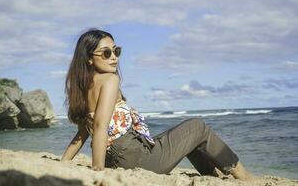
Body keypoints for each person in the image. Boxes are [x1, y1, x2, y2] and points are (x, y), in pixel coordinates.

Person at [60, 28, 254, 181]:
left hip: (121, 157)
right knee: (197, 127)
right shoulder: (110, 80)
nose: (114, 57)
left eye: (116, 51)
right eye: (107, 53)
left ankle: (214, 177)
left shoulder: (84, 88)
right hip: (135, 158)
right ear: (89, 58)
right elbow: (100, 126)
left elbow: (84, 133)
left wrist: (63, 163)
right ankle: (246, 178)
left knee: (190, 138)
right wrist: (98, 170)